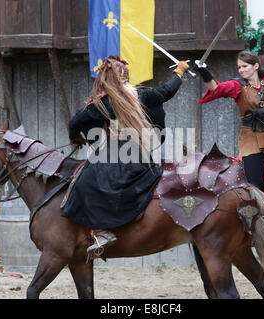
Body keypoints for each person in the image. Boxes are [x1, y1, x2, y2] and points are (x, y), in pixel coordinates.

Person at [62, 55, 189, 255]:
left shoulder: (102, 103)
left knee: (86, 181)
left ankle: (102, 231)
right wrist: (179, 71)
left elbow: (75, 122)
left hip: (118, 152)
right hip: (142, 153)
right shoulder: (142, 95)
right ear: (126, 76)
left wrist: (76, 138)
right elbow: (167, 90)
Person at [194, 51, 264, 190]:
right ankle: (260, 210)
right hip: (251, 140)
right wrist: (204, 72)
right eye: (239, 67)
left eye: (245, 66)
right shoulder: (236, 85)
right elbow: (215, 88)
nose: (241, 70)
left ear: (256, 66)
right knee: (255, 186)